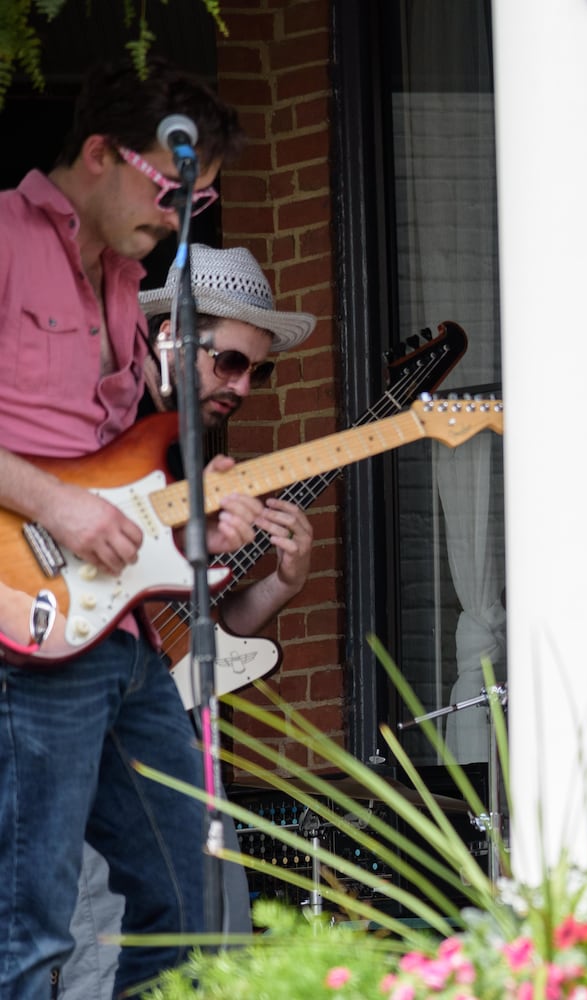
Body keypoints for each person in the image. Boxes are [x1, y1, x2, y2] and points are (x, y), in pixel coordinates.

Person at [0, 61, 255, 997]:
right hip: (24, 625)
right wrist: (54, 504)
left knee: (188, 906)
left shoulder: (126, 282)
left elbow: (115, 466)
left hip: (120, 634)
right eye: (171, 188)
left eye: (205, 196)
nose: (185, 215)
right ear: (101, 154)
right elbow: (69, 490)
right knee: (25, 929)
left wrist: (190, 514)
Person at [60, 245, 317, 1000]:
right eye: (232, 362)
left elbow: (189, 623)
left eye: (258, 372)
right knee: (99, 939)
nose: (243, 387)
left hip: (164, 713)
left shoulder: (192, 455)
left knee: (204, 933)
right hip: (78, 713)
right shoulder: (98, 425)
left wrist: (280, 582)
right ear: (170, 338)